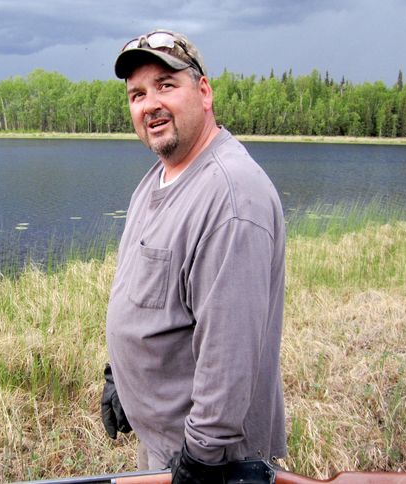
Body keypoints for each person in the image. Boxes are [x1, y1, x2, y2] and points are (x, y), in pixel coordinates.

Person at [101, 29, 287, 483]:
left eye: (166, 85)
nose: (150, 105)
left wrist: (201, 460)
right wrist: (119, 378)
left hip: (211, 461)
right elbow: (148, 295)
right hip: (162, 441)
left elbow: (230, 355)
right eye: (137, 94)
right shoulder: (158, 178)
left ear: (203, 91)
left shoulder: (231, 197)